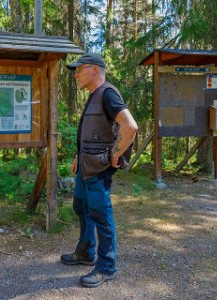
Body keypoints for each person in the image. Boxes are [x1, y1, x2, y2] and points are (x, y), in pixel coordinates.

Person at [61, 53, 138, 288]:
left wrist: (116, 154)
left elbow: (130, 126)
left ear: (94, 70)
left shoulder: (108, 93)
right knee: (82, 208)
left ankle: (106, 267)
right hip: (85, 166)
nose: (75, 74)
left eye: (79, 69)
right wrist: (78, 156)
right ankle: (85, 252)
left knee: (101, 216)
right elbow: (93, 131)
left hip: (97, 169)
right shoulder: (96, 94)